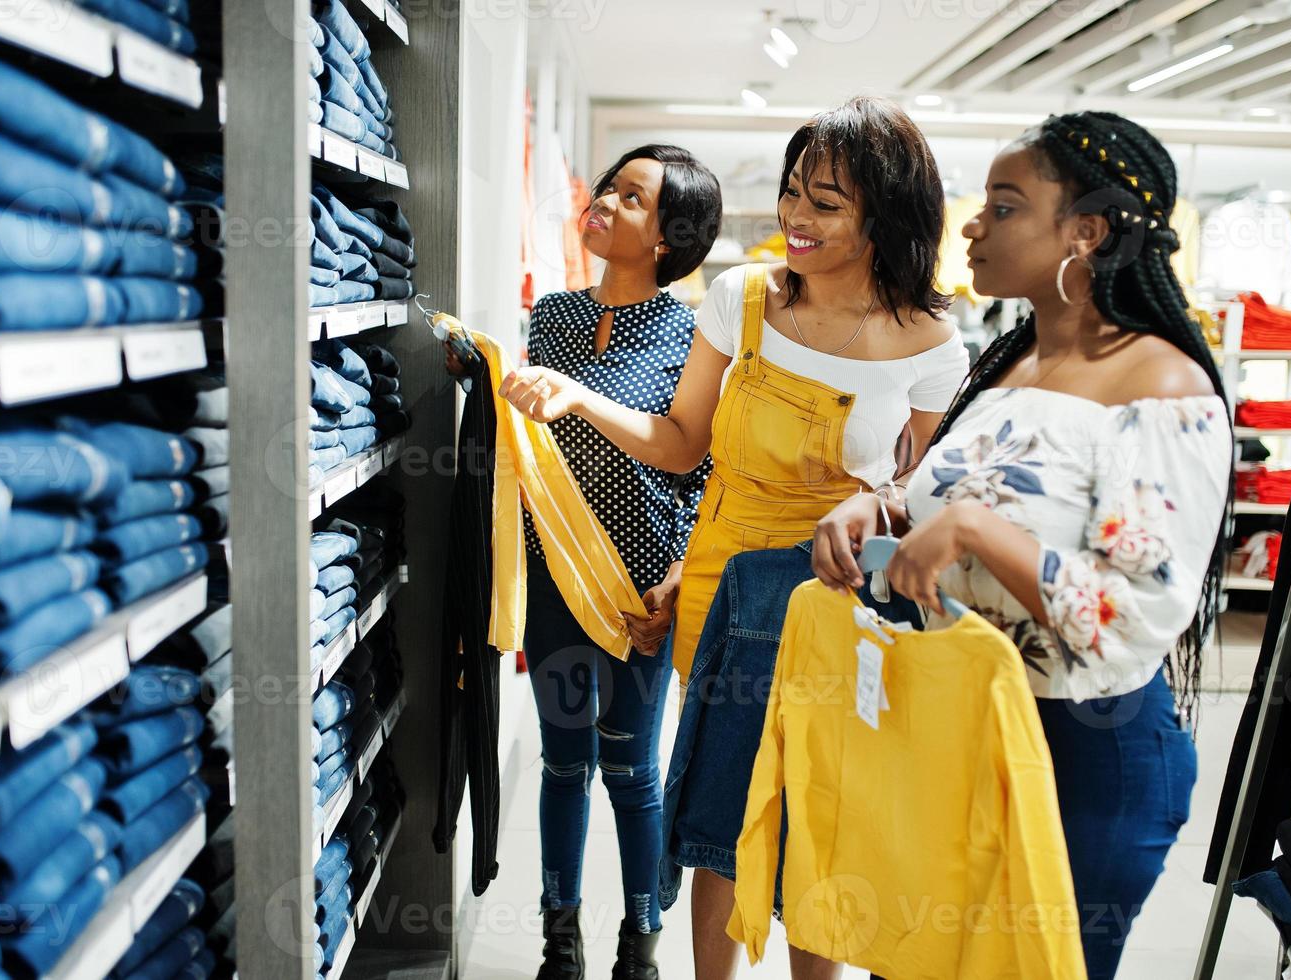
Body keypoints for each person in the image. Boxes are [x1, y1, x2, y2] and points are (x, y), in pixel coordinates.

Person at [500, 96, 969, 980]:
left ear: (886, 217)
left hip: (837, 595)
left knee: (819, 814)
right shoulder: (741, 301)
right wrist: (580, 400)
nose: (795, 216)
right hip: (718, 589)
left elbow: (921, 495)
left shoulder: (931, 346)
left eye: (824, 203)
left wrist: (889, 503)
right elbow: (683, 445)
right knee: (720, 808)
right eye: (793, 192)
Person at [814, 111, 1233, 980]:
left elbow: (1129, 615)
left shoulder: (1159, 386)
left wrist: (972, 531)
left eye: (1004, 207)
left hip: (1078, 749)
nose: (971, 224)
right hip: (952, 722)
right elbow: (969, 488)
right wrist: (883, 509)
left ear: (1086, 230)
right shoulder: (1013, 363)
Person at [447, 144, 720, 980]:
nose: (603, 200)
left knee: (630, 771)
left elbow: (704, 466)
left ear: (669, 237)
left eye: (630, 197)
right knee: (562, 765)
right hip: (555, 581)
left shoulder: (694, 337)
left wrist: (679, 580)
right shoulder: (555, 318)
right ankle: (557, 945)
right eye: (608, 186)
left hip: (641, 590)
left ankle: (638, 950)